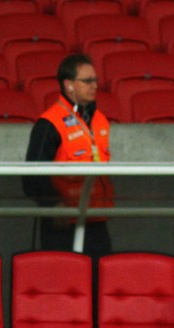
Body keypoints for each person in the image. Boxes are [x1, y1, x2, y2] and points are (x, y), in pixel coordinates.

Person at [22, 53, 114, 260]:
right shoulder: (49, 123)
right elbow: (31, 177)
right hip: (62, 223)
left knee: (101, 283)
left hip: (96, 219)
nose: (94, 85)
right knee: (65, 285)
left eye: (95, 80)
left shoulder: (100, 120)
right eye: (87, 81)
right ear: (69, 85)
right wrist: (53, 205)